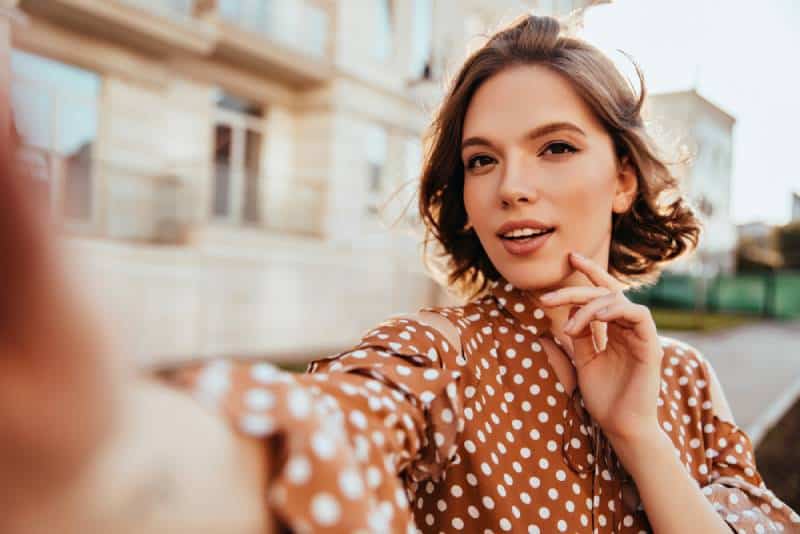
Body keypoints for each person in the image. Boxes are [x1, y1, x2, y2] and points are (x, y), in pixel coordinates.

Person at [1, 13, 798, 534]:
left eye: (554, 147)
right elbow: (329, 426)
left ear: (623, 177)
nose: (510, 184)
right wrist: (103, 460)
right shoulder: (434, 355)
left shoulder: (685, 380)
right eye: (482, 159)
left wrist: (638, 432)